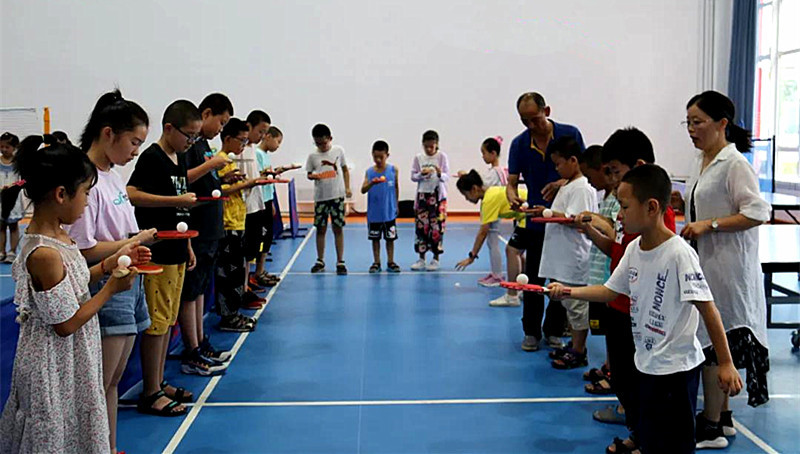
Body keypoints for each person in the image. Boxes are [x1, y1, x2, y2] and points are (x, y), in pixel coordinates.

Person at [548, 164, 743, 454]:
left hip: (676, 371)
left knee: (674, 446)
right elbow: (610, 290)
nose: (619, 215)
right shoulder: (634, 249)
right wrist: (567, 290)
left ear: (651, 207)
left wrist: (726, 363)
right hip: (647, 364)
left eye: (625, 206)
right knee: (650, 439)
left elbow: (708, 309)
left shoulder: (679, 254)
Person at [0, 136, 143, 453]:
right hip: (52, 363)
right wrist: (111, 289)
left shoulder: (61, 237)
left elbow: (74, 284)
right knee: (56, 430)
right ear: (61, 194)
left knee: (75, 428)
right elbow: (64, 323)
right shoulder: (44, 254)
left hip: (73, 358)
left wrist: (107, 265)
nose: (88, 202)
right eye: (86, 193)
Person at [675, 91, 771, 449]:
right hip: (706, 264)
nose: (691, 129)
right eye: (688, 122)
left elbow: (757, 212)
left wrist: (710, 225)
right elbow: (704, 201)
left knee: (715, 342)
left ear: (722, 124)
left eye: (698, 122)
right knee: (717, 339)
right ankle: (724, 418)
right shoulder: (701, 160)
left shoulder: (734, 164)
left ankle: (711, 426)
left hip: (728, 269)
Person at [64, 89, 157, 452]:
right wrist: (130, 244)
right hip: (105, 285)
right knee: (99, 384)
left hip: (128, 281)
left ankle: (109, 446)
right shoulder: (85, 180)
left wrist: (135, 242)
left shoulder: (114, 176)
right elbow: (82, 249)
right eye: (134, 142)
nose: (136, 151)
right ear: (108, 134)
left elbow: (121, 235)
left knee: (114, 380)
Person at [575, 127, 675, 452]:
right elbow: (617, 252)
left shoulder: (655, 216)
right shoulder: (626, 213)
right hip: (617, 304)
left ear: (639, 166)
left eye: (617, 171)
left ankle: (647, 439)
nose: (613, 180)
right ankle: (637, 432)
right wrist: (591, 232)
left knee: (642, 381)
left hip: (642, 314)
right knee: (621, 377)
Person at [127, 100, 203, 415]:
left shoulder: (180, 158)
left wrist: (188, 244)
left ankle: (158, 382)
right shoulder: (152, 157)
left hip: (177, 249)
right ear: (169, 128)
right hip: (156, 251)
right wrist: (172, 200)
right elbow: (132, 193)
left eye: (196, 137)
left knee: (169, 321)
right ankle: (150, 391)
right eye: (189, 135)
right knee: (157, 323)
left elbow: (182, 210)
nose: (192, 142)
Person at [506, 92, 583, 352]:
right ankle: (531, 331)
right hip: (536, 223)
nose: (531, 125)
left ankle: (554, 330)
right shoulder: (519, 144)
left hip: (564, 223)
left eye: (535, 119)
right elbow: (511, 182)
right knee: (533, 280)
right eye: (524, 121)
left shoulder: (570, 134)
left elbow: (582, 171)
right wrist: (511, 196)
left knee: (561, 280)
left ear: (547, 111)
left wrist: (561, 183)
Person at [181, 94, 245, 342]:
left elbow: (205, 180)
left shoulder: (204, 146)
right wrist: (212, 165)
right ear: (206, 114)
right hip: (197, 229)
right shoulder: (190, 146)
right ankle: (193, 347)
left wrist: (223, 177)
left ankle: (200, 340)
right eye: (221, 122)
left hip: (211, 228)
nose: (220, 129)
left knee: (200, 290)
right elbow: (183, 178)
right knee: (191, 291)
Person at [533, 137, 597, 368]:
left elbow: (576, 220)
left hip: (573, 257)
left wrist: (548, 213)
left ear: (573, 160)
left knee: (577, 306)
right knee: (569, 305)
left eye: (559, 164)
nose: (557, 169)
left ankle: (579, 350)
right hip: (563, 257)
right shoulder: (569, 185)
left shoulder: (581, 188)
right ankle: (575, 345)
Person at [577, 145, 619, 395]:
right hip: (599, 271)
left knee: (614, 330)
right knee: (607, 329)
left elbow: (614, 231)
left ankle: (615, 373)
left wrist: (595, 220)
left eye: (590, 176)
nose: (590, 182)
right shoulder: (606, 197)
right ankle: (609, 366)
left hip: (609, 275)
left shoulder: (618, 199)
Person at [215, 118, 263, 328]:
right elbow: (219, 191)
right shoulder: (219, 161)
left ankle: (234, 312)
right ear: (228, 139)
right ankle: (228, 316)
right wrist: (247, 184)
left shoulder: (230, 161)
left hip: (237, 223)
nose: (244, 145)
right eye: (241, 140)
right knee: (229, 274)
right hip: (227, 225)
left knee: (236, 273)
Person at [455, 170, 527, 307]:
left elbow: (483, 232)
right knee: (519, 254)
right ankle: (524, 290)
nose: (466, 199)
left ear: (474, 189)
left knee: (511, 251)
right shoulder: (491, 193)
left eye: (466, 195)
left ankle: (512, 295)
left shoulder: (488, 200)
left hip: (528, 216)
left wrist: (471, 256)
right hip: (526, 216)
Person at [306, 123, 351, 275]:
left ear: (330, 138)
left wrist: (347, 188)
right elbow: (309, 174)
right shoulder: (313, 156)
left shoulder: (338, 151)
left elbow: (345, 169)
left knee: (338, 228)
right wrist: (315, 176)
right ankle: (320, 260)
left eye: (323, 143)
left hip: (337, 196)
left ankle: (340, 261)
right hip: (321, 198)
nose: (321, 146)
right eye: (317, 143)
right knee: (321, 229)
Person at [240, 110, 273, 294]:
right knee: (244, 252)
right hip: (243, 210)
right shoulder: (239, 150)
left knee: (251, 251)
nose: (261, 136)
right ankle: (242, 288)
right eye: (260, 131)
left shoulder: (252, 149)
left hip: (256, 206)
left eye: (264, 133)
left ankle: (246, 285)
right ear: (249, 126)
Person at [410, 130, 450, 271]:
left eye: (431, 146)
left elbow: (447, 176)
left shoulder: (442, 157)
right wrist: (421, 174)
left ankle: (435, 259)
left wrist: (439, 174)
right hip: (423, 195)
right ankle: (421, 258)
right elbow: (413, 176)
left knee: (436, 227)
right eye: (426, 146)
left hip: (437, 196)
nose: (428, 149)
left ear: (436, 144)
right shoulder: (418, 158)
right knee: (421, 227)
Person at [361, 140, 400, 273]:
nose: (378, 160)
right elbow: (363, 190)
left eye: (381, 157)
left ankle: (391, 261)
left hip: (389, 212)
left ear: (387, 155)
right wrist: (371, 183)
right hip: (374, 214)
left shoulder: (393, 170)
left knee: (390, 239)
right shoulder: (369, 172)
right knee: (375, 239)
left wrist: (396, 204)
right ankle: (376, 262)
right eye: (375, 157)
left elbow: (396, 187)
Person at [253, 126, 284, 285]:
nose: (278, 146)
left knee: (268, 236)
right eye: (278, 141)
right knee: (261, 237)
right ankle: (258, 272)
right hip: (260, 202)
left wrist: (271, 202)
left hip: (267, 200)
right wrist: (273, 174)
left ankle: (262, 269)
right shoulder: (257, 154)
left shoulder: (265, 155)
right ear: (268, 137)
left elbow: (268, 182)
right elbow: (259, 178)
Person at [474, 137, 508, 286]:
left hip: (493, 208)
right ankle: (495, 272)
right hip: (495, 208)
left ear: (493, 153)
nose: (483, 156)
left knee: (493, 242)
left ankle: (497, 276)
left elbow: (482, 186)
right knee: (491, 242)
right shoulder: (500, 171)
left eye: (484, 153)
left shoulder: (495, 172)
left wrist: (467, 178)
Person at [0, 132, 23, 263]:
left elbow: (24, 180)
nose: (3, 149)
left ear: (14, 148)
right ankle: (1, 251)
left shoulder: (18, 163)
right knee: (1, 226)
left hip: (13, 199)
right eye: (1, 147)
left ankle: (12, 251)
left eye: (7, 147)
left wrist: (13, 187)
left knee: (13, 226)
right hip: (0, 199)